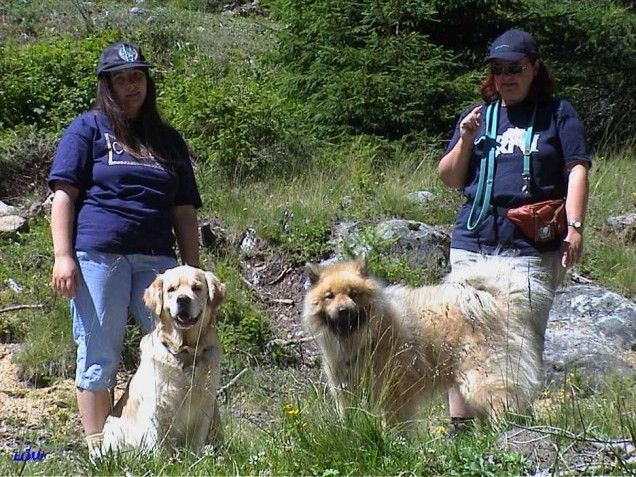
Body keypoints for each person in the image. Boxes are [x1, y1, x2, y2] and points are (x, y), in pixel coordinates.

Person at [48, 42, 202, 455]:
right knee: (100, 353)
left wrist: (193, 271)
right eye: (122, 78)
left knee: (177, 350)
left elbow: (184, 211)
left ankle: (172, 444)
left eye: (138, 76)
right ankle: (100, 450)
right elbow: (64, 195)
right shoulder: (88, 128)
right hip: (100, 255)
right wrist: (64, 255)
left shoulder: (168, 140)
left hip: (159, 262)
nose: (132, 85)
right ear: (108, 85)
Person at [438, 29, 590, 431]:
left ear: (534, 68)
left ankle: (513, 429)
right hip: (474, 240)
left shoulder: (558, 114)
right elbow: (450, 178)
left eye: (516, 68)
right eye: (498, 69)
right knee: (461, 334)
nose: (506, 76)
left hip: (528, 247)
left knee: (519, 339)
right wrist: (466, 139)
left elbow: (576, 168)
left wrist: (574, 226)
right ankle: (462, 428)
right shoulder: (480, 115)